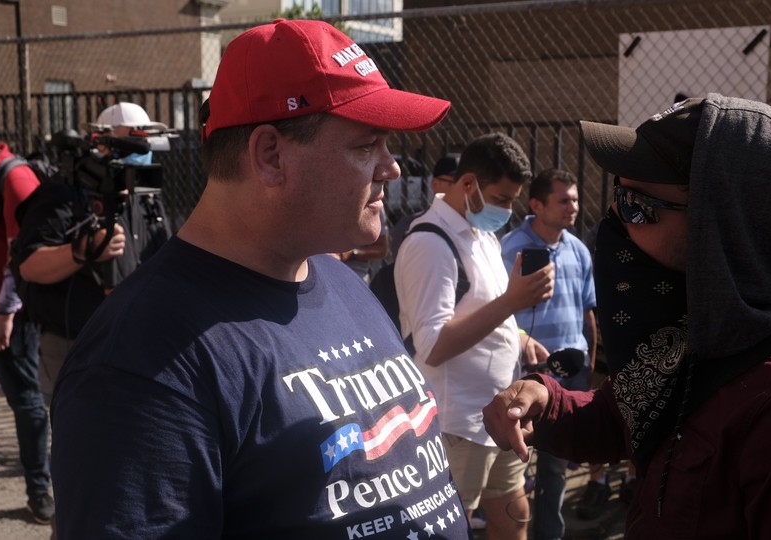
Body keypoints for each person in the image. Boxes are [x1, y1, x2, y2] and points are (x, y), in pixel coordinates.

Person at [50, 19, 470, 539]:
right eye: (367, 146)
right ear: (271, 155)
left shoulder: (337, 280)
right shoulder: (140, 362)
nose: (392, 169)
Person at [483, 95, 771, 538]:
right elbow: (625, 416)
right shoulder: (696, 335)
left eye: (638, 205)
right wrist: (547, 402)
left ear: (723, 228)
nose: (617, 219)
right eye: (617, 197)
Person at [395, 132, 554, 539]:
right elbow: (432, 345)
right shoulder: (430, 244)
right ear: (468, 184)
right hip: (458, 420)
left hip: (499, 410)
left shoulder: (481, 235)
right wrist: (511, 303)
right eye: (502, 198)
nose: (508, 209)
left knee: (513, 507)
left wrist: (518, 338)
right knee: (451, 524)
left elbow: (483, 309)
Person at [11, 103, 172, 405]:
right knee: (81, 440)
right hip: (75, 341)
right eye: (136, 137)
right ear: (105, 141)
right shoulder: (64, 191)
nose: (144, 146)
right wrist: (84, 250)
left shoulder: (146, 194)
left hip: (134, 339)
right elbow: (29, 266)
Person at [499, 168, 596, 539]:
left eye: (575, 199)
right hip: (526, 372)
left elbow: (588, 311)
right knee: (515, 465)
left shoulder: (580, 249)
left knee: (556, 466)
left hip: (572, 370)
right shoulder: (510, 248)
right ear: (536, 205)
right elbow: (497, 308)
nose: (573, 206)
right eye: (564, 200)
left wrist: (588, 360)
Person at [0, 98, 54, 523]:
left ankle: (39, 491)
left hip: (5, 316)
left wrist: (4, 314)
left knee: (24, 402)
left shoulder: (13, 177)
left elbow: (23, 255)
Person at [389, 153, 459, 256]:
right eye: (453, 183)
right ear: (435, 184)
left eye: (467, 184)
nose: (461, 190)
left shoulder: (476, 229)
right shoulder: (409, 226)